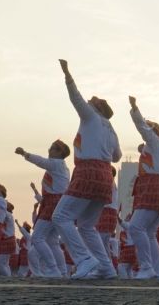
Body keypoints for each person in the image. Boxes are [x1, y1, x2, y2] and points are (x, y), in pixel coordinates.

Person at [52, 59, 122, 280]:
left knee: (60, 216)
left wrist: (67, 74)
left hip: (88, 171)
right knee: (86, 225)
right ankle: (106, 268)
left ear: (98, 108)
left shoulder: (90, 116)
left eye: (93, 101)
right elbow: (117, 156)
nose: (89, 102)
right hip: (104, 177)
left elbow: (76, 98)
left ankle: (83, 259)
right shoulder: (111, 130)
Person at [128, 96, 159, 279]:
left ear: (153, 131)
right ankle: (156, 271)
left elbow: (142, 128)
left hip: (152, 186)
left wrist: (134, 108)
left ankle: (147, 267)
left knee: (136, 228)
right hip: (157, 186)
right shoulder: (156, 146)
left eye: (149, 127)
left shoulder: (154, 142)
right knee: (150, 233)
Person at [15, 140, 70, 277]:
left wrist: (25, 154)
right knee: (52, 241)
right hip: (56, 203)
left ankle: (53, 269)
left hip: (52, 203)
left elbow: (41, 161)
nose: (49, 150)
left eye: (52, 148)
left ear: (60, 153)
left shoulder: (56, 164)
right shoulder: (61, 167)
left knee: (37, 238)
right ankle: (62, 271)